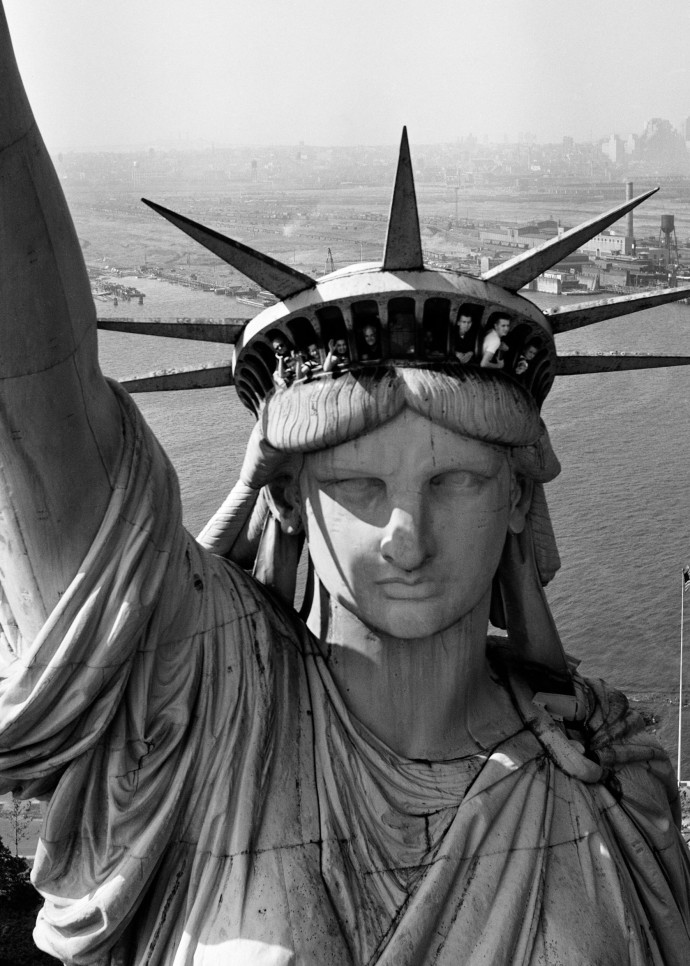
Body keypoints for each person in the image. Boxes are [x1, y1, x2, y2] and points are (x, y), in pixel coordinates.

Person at [1, 9, 689, 964]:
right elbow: (36, 404)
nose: (407, 537)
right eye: (358, 485)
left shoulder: (610, 781)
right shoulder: (206, 709)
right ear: (286, 497)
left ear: (521, 498)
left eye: (454, 481)